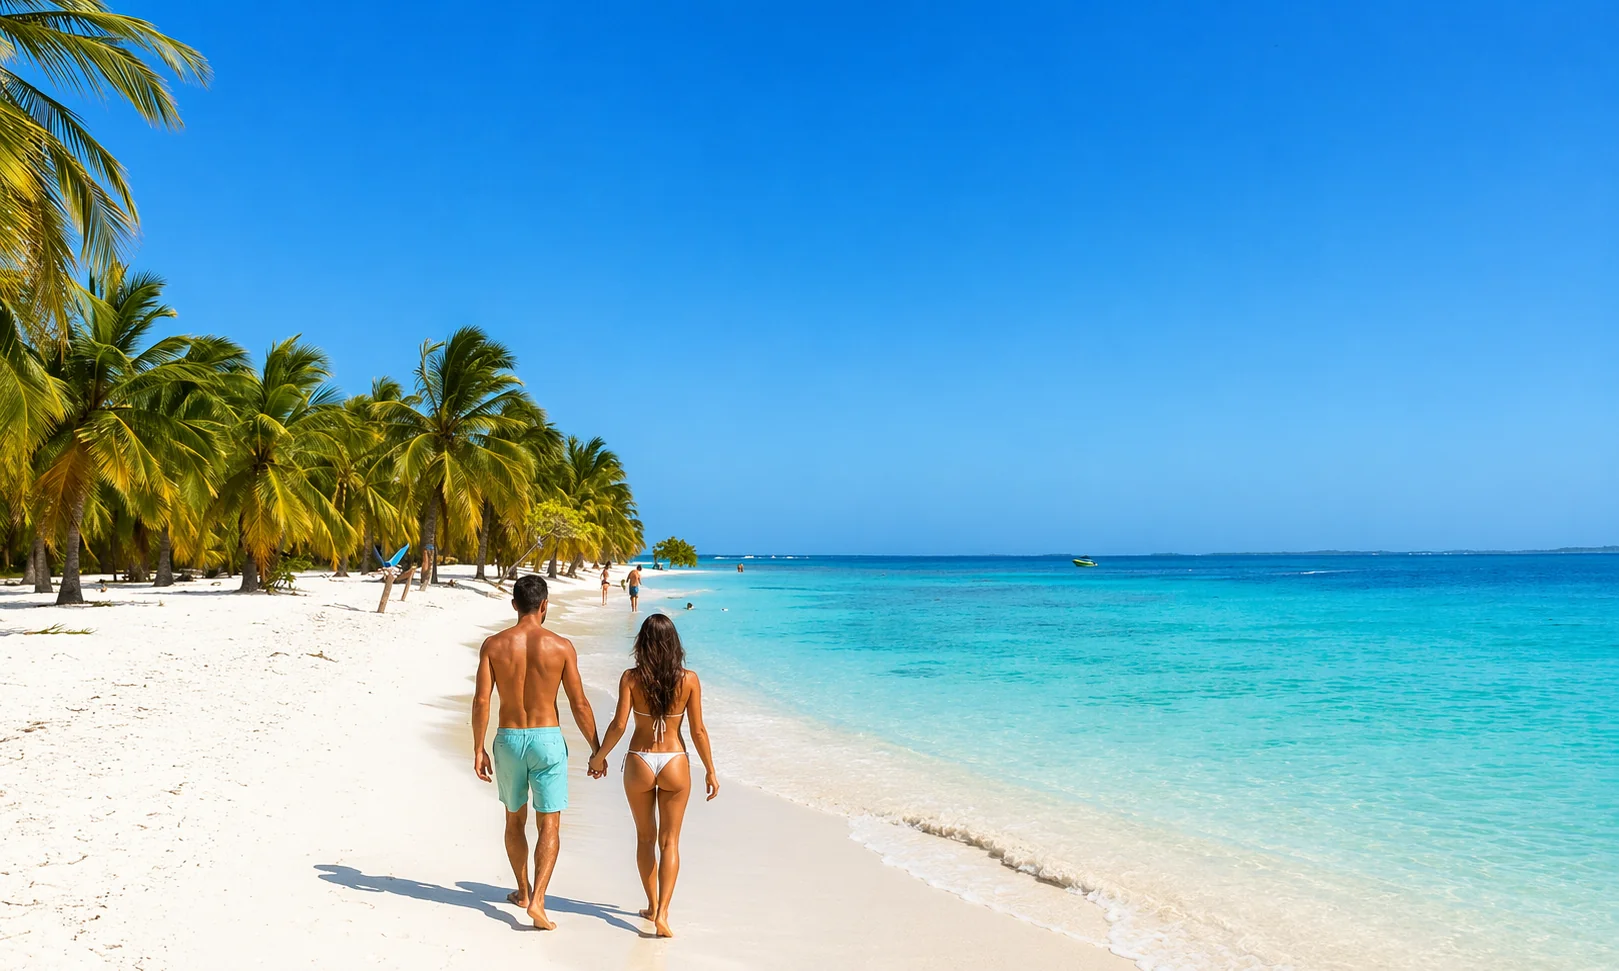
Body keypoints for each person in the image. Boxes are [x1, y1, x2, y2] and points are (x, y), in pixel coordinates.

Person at [471, 574, 601, 930]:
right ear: (545, 605)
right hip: (547, 739)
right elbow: (579, 703)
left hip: (509, 737)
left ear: (515, 605)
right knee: (550, 823)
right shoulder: (561, 646)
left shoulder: (494, 645)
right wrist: (597, 748)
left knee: (514, 819)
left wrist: (479, 747)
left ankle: (524, 891)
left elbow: (482, 700)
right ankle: (539, 901)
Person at [588, 614, 718, 938]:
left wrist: (598, 758)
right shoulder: (689, 679)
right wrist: (711, 771)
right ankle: (662, 914)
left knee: (645, 839)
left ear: (642, 643)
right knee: (670, 841)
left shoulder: (631, 678)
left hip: (640, 761)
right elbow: (698, 730)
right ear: (675, 643)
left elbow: (619, 725)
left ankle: (651, 902)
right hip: (675, 760)